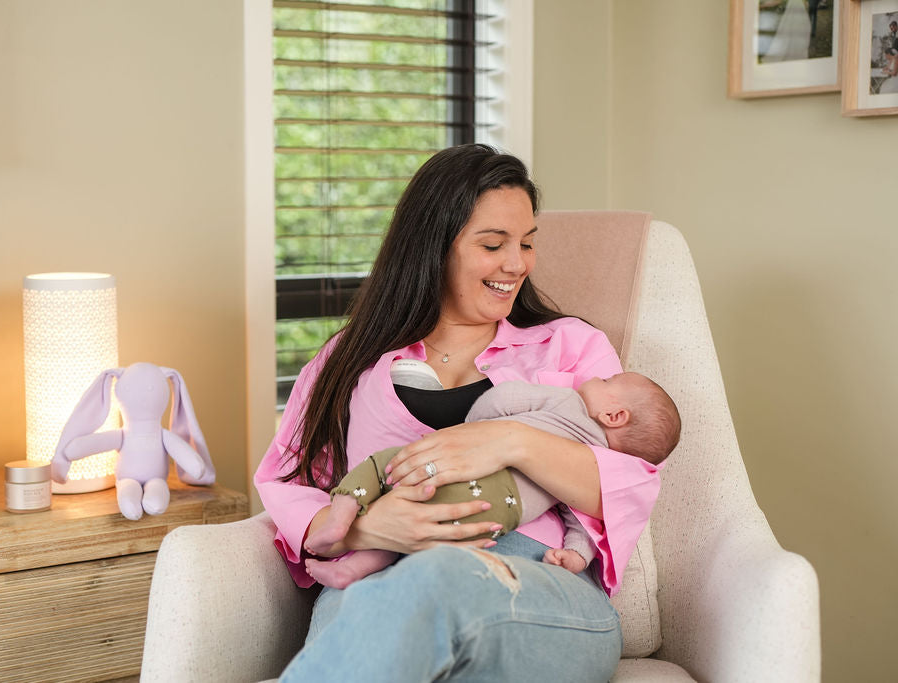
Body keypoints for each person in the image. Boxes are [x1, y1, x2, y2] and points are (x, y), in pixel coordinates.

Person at [254, 144, 664, 682]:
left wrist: (513, 441)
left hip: (534, 587)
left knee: (442, 577)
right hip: (378, 580)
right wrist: (366, 530)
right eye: (493, 244)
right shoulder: (350, 359)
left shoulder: (571, 346)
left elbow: (627, 481)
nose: (516, 264)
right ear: (434, 247)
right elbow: (288, 478)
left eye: (526, 243)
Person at [303, 372, 680, 589]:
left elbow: (505, 398)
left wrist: (476, 430)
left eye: (609, 380)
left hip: (451, 467)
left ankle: (342, 512)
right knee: (428, 531)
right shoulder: (587, 465)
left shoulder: (568, 401)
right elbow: (580, 517)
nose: (597, 377)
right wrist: (578, 556)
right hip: (499, 512)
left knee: (384, 465)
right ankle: (354, 567)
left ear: (614, 414)